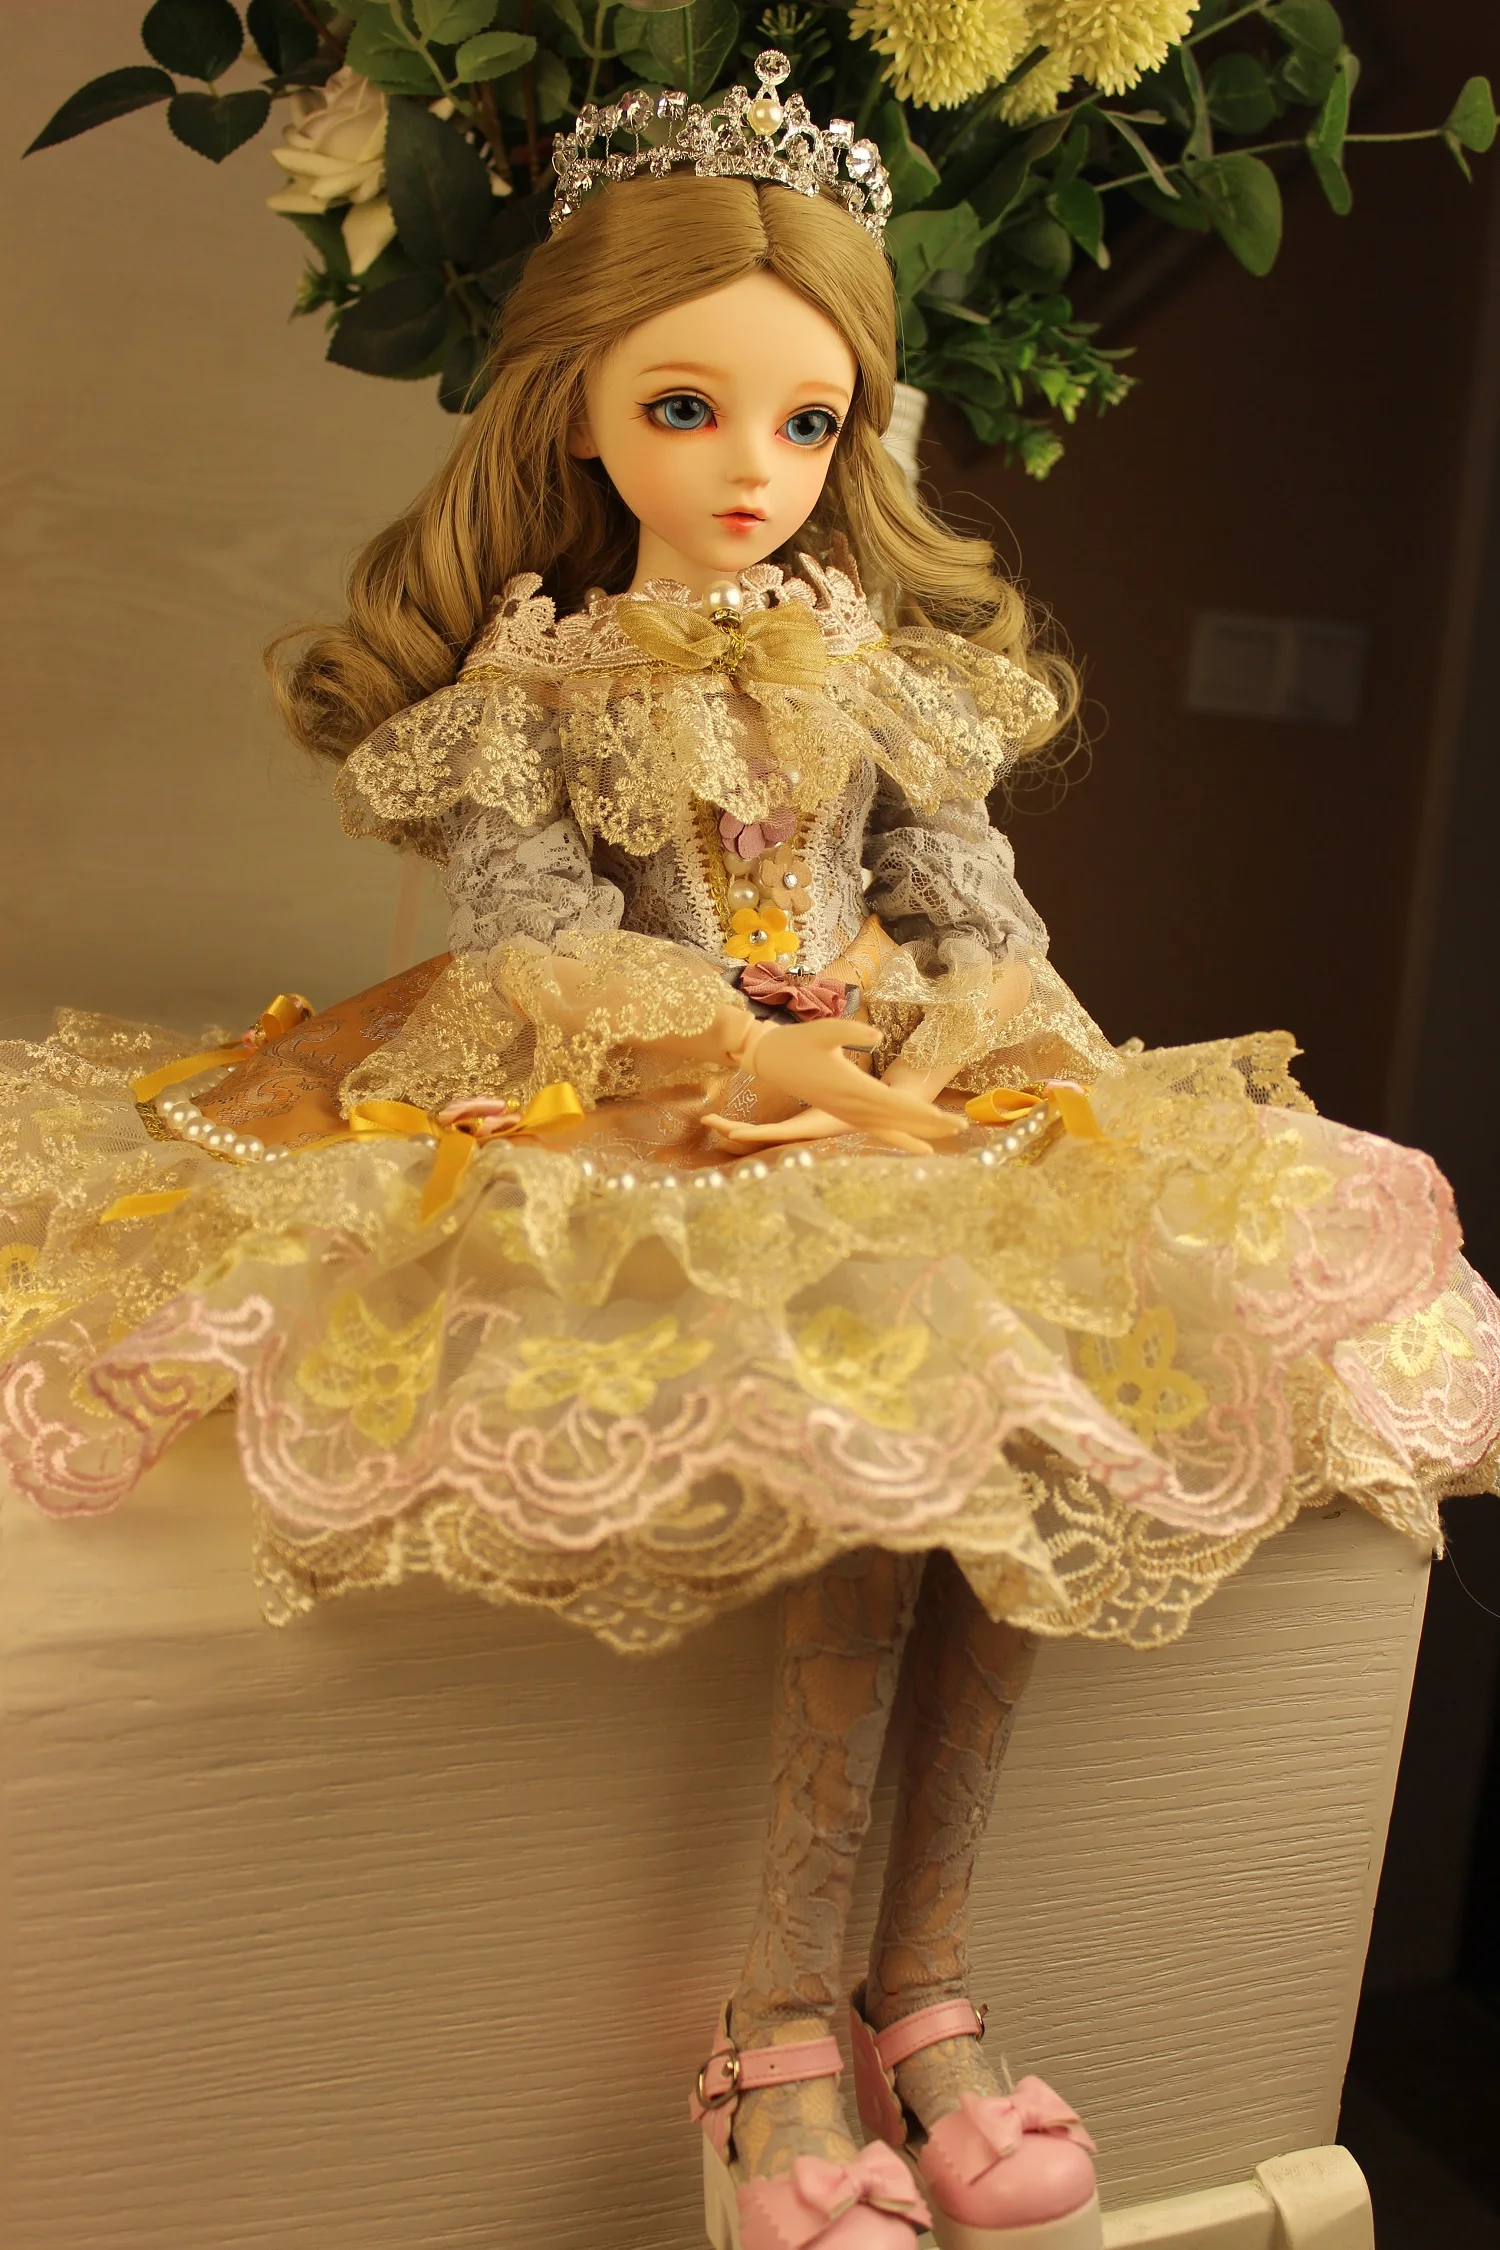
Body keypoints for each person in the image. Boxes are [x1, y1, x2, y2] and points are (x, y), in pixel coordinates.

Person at [3, 55, 1496, 2250]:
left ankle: (927, 1991)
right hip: (654, 1093)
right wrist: (765, 1059)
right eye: (688, 409)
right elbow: (533, 944)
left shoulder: (879, 669)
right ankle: (777, 2028)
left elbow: (977, 916)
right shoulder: (539, 679)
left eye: (807, 423)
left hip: (894, 1075)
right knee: (878, 1394)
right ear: (576, 415)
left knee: (1027, 1394)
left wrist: (983, 1058)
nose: (752, 469)